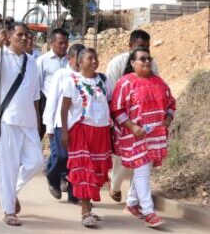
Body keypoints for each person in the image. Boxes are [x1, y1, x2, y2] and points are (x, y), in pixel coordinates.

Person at [0, 22, 43, 227]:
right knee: (8, 167)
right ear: (8, 36)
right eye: (19, 35)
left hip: (29, 122)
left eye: (26, 35)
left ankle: (11, 192)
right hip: (7, 120)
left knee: (36, 162)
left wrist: (38, 121)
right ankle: (8, 210)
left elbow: (35, 95)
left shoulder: (32, 61)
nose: (24, 38)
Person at [111, 47, 175, 228]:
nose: (147, 62)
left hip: (155, 136)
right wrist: (132, 126)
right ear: (132, 63)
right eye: (142, 59)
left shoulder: (160, 83)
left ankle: (132, 203)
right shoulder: (125, 83)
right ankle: (148, 211)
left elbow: (171, 102)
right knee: (142, 172)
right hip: (134, 136)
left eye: (149, 59)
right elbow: (117, 109)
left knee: (143, 171)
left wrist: (169, 117)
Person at [59, 48, 112, 228]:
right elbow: (65, 108)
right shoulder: (72, 81)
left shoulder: (103, 80)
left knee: (96, 170)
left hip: (101, 131)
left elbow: (109, 103)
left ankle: (87, 205)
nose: (94, 61)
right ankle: (85, 212)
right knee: (83, 170)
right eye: (90, 58)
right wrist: (64, 132)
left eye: (96, 58)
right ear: (80, 62)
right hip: (81, 130)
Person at [105, 29, 159, 202]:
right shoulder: (117, 63)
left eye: (147, 47)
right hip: (121, 115)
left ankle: (135, 198)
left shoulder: (152, 64)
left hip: (144, 117)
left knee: (144, 155)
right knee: (122, 155)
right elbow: (111, 95)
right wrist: (119, 120)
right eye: (140, 46)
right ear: (130, 46)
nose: (145, 50)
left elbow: (155, 88)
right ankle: (115, 186)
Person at [43, 43, 84, 203]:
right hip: (61, 123)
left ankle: (74, 194)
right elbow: (52, 100)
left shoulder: (86, 76)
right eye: (78, 59)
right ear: (71, 58)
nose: (81, 62)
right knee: (62, 156)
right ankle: (52, 175)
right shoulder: (61, 74)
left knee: (76, 160)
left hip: (80, 126)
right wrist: (49, 126)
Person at [37, 29, 70, 141]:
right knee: (40, 131)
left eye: (66, 42)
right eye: (60, 43)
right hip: (46, 101)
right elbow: (38, 84)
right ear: (52, 43)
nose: (64, 46)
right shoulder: (43, 60)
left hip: (66, 102)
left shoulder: (71, 60)